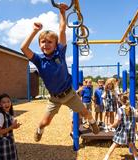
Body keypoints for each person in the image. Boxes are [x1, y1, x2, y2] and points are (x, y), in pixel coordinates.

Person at [20, 3, 99, 142]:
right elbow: (23, 48)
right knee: (46, 122)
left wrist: (62, 12)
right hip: (54, 98)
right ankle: (39, 129)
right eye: (43, 42)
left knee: (84, 112)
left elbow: (62, 30)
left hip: (69, 93)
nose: (46, 44)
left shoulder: (60, 53)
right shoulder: (39, 59)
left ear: (56, 45)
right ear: (39, 44)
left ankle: (92, 122)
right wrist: (34, 31)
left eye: (50, 42)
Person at [103, 92, 138, 160]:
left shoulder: (120, 110)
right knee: (131, 145)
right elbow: (136, 115)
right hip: (130, 130)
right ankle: (136, 158)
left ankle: (106, 158)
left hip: (122, 130)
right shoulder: (132, 108)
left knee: (114, 144)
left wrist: (111, 126)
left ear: (120, 101)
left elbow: (117, 122)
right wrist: (136, 111)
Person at [0, 93, 21, 160]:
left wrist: (15, 126)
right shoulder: (1, 115)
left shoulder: (8, 114)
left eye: (8, 101)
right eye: (3, 102)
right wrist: (11, 127)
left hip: (8, 144)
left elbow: (9, 127)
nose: (7, 104)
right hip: (3, 145)